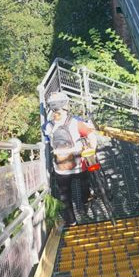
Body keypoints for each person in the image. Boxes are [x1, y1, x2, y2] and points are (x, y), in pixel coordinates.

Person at [45, 91, 97, 225]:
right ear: (65, 106)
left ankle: (71, 221)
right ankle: (85, 202)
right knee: (85, 184)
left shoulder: (47, 126)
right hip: (79, 165)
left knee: (65, 195)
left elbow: (47, 142)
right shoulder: (76, 123)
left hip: (60, 168)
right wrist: (92, 149)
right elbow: (91, 136)